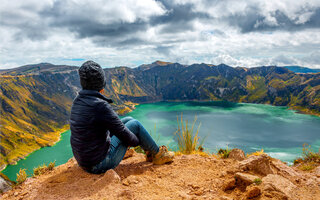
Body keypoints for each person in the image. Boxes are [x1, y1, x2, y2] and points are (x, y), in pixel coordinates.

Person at [70, 60, 174, 174]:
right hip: (99, 163)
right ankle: (158, 155)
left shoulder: (78, 100)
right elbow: (125, 134)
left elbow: (108, 128)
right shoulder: (100, 105)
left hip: (84, 161)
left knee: (128, 119)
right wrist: (136, 141)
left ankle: (150, 153)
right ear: (101, 84)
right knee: (135, 125)